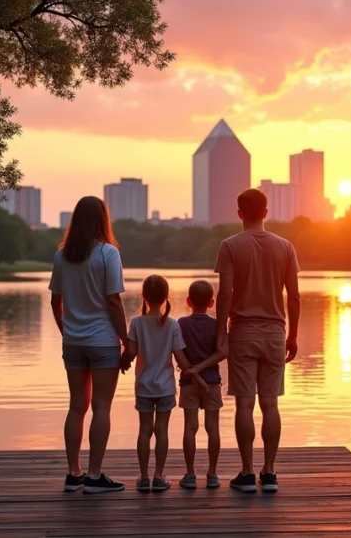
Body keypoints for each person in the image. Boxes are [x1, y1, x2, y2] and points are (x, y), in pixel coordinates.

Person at [214, 188, 301, 493]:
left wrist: (220, 332)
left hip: (242, 332)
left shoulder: (229, 246)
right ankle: (271, 473)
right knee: (270, 404)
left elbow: (225, 293)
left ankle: (248, 473)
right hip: (275, 333)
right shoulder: (285, 247)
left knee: (244, 404)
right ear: (266, 211)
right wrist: (293, 334)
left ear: (239, 213)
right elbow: (294, 296)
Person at [48, 196, 128, 494]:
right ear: (103, 220)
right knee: (101, 406)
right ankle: (94, 476)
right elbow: (113, 301)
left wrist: (65, 330)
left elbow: (55, 301)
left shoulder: (61, 256)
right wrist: (127, 341)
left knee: (76, 407)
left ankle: (73, 474)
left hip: (74, 342)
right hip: (103, 341)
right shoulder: (108, 253)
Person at [120, 274, 208, 493]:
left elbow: (130, 352)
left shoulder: (137, 323)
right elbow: (180, 357)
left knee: (144, 431)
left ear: (144, 296)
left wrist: (123, 362)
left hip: (143, 386)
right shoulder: (171, 324)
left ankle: (143, 477)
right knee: (162, 430)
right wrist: (195, 375)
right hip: (166, 387)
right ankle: (158, 477)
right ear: (166, 296)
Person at [177, 280, 227, 489]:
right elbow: (223, 352)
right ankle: (212, 474)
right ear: (211, 302)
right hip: (212, 382)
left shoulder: (180, 323)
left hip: (188, 381)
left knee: (190, 427)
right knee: (212, 427)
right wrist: (202, 371)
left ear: (188, 301)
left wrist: (194, 371)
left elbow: (177, 352)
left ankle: (190, 475)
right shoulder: (217, 324)